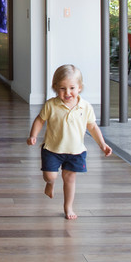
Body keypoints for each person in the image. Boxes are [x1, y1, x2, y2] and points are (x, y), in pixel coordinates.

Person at [26, 64, 111, 219]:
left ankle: (68, 207)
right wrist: (33, 135)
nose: (67, 93)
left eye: (72, 88)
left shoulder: (85, 107)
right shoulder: (51, 105)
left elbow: (92, 126)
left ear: (79, 88)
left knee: (70, 179)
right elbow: (40, 120)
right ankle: (50, 184)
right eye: (62, 88)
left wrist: (102, 144)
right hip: (52, 149)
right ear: (55, 87)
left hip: (75, 151)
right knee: (50, 176)